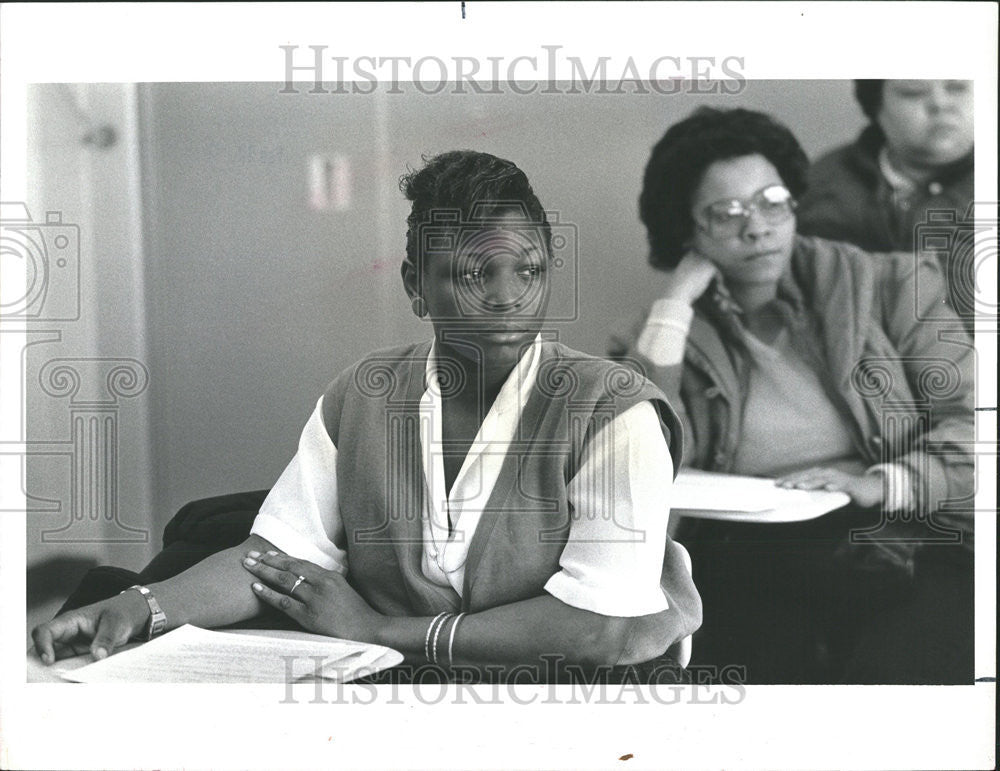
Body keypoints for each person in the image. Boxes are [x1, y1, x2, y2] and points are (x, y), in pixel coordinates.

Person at [33, 150, 701, 682]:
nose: (507, 298)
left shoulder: (612, 410)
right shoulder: (367, 393)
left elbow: (598, 630)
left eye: (528, 269)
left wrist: (379, 630)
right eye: (473, 274)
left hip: (570, 699)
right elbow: (275, 559)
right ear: (416, 285)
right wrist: (142, 606)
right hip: (403, 686)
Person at [609, 108, 974, 684]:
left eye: (771, 199)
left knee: (897, 680)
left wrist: (875, 483)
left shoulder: (896, 285)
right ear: (689, 232)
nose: (756, 227)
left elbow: (974, 429)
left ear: (795, 203)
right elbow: (641, 462)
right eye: (725, 214)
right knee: (739, 691)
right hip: (751, 555)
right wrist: (676, 302)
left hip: (897, 534)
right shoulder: (662, 338)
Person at [797, 80, 975, 330]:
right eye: (914, 92)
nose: (941, 104)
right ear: (876, 107)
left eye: (957, 88)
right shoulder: (821, 185)